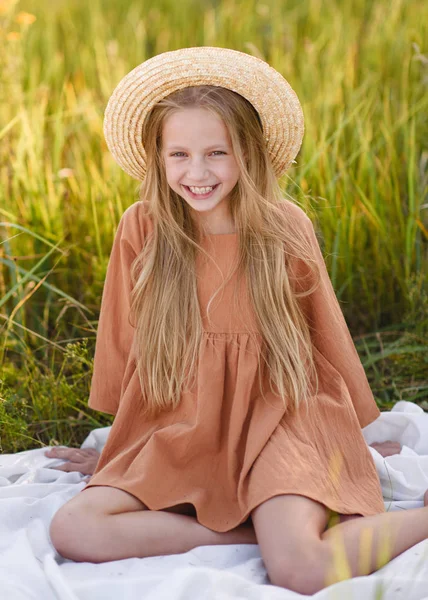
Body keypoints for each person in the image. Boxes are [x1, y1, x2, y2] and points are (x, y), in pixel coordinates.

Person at [45, 47, 428, 595]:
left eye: (216, 153)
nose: (196, 173)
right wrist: (117, 449)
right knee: (73, 529)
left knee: (300, 569)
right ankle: (247, 534)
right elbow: (123, 341)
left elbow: (327, 338)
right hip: (184, 422)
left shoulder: (281, 225)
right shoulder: (143, 228)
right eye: (178, 154)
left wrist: (351, 440)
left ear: (247, 153)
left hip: (281, 419)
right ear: (157, 157)